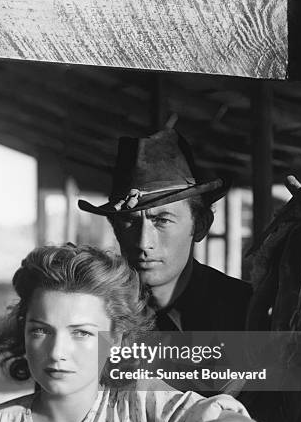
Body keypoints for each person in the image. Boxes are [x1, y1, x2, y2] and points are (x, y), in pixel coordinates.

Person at [0, 245, 271, 422]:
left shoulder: (145, 411)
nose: (58, 352)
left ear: (114, 340)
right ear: (23, 333)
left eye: (82, 333)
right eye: (41, 330)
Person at [78, 114, 252, 396]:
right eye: (129, 222)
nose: (144, 242)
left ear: (200, 225)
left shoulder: (245, 311)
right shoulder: (91, 313)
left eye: (162, 220)